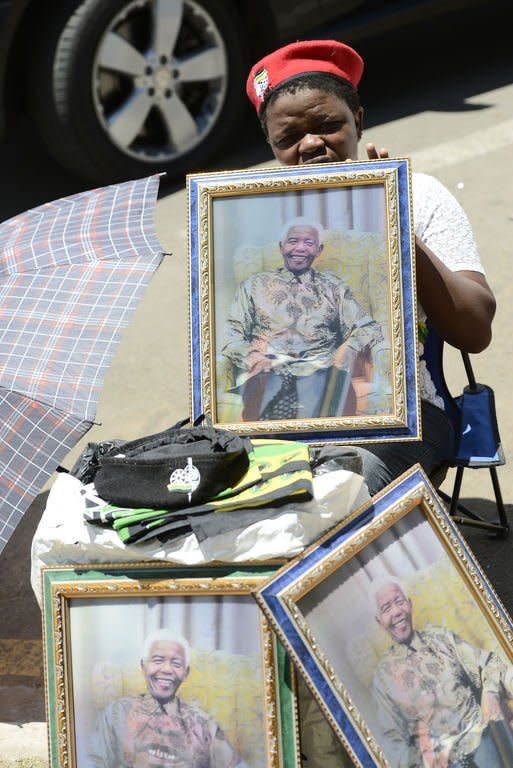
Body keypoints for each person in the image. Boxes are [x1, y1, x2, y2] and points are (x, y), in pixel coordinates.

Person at [245, 39, 496, 495]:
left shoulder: (419, 195)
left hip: (401, 417)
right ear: (272, 145)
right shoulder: (248, 222)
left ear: (357, 121)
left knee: (338, 484)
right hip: (281, 417)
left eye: (327, 125)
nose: (311, 145)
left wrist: (394, 223)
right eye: (288, 138)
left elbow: (474, 330)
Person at [221, 216, 386, 420]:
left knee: (332, 405)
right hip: (268, 371)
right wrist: (253, 356)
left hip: (322, 369)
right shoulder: (253, 286)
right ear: (281, 247)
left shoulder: (334, 288)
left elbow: (369, 328)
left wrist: (348, 348)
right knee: (266, 423)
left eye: (309, 243)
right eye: (293, 241)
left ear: (319, 250)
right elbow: (231, 335)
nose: (300, 248)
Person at [372, 579, 513, 767]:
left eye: (399, 601)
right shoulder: (382, 678)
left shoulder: (442, 638)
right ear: (379, 621)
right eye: (386, 608)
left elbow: (490, 664)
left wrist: (490, 692)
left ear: (410, 604)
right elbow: (391, 742)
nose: (397, 612)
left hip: (481, 735)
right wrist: (422, 761)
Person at [89, 628, 244, 768]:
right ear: (143, 667)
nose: (167, 669)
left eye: (176, 663)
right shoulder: (117, 713)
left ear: (185, 673)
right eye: (158, 660)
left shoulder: (203, 724)